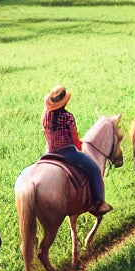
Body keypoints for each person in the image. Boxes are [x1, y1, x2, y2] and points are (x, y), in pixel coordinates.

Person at [41, 85, 112, 215]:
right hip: (67, 153)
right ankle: (99, 203)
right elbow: (75, 140)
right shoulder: (67, 116)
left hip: (49, 153)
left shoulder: (45, 116)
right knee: (94, 170)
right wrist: (80, 147)